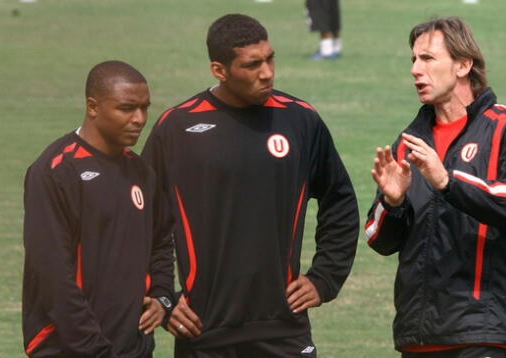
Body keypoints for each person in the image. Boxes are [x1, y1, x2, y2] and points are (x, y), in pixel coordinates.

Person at [141, 13, 359, 358]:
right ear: (219, 70)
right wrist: (163, 294)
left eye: (270, 58)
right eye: (252, 64)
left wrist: (325, 277)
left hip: (284, 327)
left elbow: (340, 200)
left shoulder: (299, 120)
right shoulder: (177, 129)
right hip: (204, 329)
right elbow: (143, 220)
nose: (267, 72)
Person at [365, 17, 506, 358]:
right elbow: (378, 239)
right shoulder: (410, 143)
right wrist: (393, 203)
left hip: (484, 332)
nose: (415, 70)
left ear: (463, 64)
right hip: (418, 336)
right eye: (413, 60)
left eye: (428, 58)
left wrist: (449, 183)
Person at [22, 61, 175, 358]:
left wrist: (162, 296)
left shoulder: (141, 171)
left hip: (132, 348)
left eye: (145, 108)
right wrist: (93, 349)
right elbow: (52, 274)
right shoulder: (55, 171)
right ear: (93, 106)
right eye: (127, 108)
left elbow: (160, 241)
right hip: (69, 350)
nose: (140, 119)